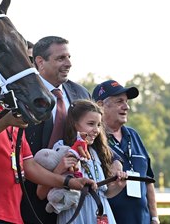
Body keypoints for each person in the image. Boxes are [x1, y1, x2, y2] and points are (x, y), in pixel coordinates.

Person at [0, 91, 96, 224]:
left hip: (13, 214)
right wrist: (5, 122)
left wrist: (70, 182)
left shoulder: (10, 112)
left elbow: (29, 166)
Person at [21, 36, 91, 224]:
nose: (68, 64)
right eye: (61, 58)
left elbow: (98, 136)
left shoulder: (81, 94)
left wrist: (115, 160)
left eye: (69, 57)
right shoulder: (21, 95)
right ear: (40, 62)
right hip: (30, 196)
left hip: (75, 195)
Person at [37, 99, 127, 224]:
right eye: (91, 124)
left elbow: (104, 194)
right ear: (74, 123)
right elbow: (40, 193)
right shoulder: (61, 149)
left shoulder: (97, 152)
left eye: (99, 125)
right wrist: (60, 168)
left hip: (101, 213)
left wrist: (118, 186)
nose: (96, 130)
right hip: (75, 214)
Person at [93, 80, 159, 224]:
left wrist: (154, 217)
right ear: (100, 105)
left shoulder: (133, 135)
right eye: (119, 101)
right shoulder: (93, 140)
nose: (126, 106)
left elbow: (148, 180)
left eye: (127, 102)